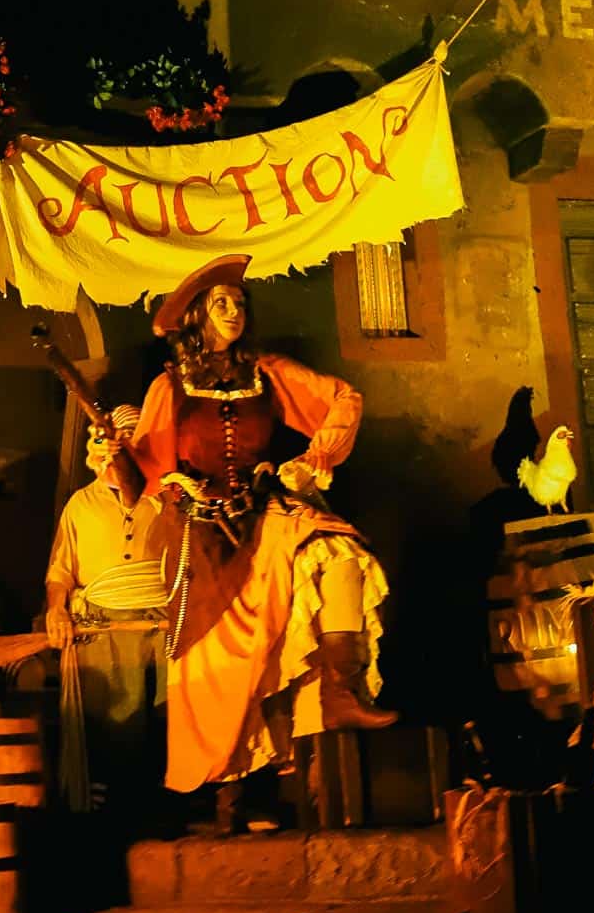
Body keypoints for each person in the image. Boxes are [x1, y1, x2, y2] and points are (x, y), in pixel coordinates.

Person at [114, 254, 396, 830]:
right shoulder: (169, 387)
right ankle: (230, 800)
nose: (233, 310)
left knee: (337, 549)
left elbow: (344, 399)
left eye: (240, 302)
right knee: (221, 665)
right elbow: (139, 474)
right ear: (196, 316)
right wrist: (110, 456)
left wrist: (310, 463)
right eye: (220, 303)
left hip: (263, 510)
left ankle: (341, 688)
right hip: (200, 534)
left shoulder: (268, 373)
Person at [44, 406, 167, 810]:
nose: (121, 448)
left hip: (163, 626)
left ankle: (167, 811)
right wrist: (57, 610)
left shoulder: (164, 499)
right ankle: (115, 818)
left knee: (167, 721)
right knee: (118, 725)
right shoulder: (81, 504)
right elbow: (60, 570)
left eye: (132, 439)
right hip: (105, 628)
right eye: (116, 440)